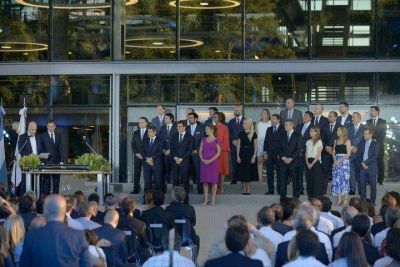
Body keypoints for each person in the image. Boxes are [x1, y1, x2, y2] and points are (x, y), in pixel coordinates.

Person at [20, 194, 90, 266]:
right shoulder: (78, 236)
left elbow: (24, 264)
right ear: (64, 211)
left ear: (45, 211)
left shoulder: (32, 237)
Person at [166, 187, 200, 251]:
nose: (171, 196)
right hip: (188, 238)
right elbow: (193, 223)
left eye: (172, 194)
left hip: (173, 238)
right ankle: (194, 259)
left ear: (174, 196)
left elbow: (167, 224)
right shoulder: (190, 208)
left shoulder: (168, 209)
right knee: (197, 238)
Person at [39, 119, 66, 194]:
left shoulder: (58, 135)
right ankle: (46, 199)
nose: (51, 128)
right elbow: (40, 149)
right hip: (46, 162)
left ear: (55, 127)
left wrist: (62, 161)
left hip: (56, 163)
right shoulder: (42, 136)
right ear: (47, 126)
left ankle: (55, 198)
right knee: (46, 183)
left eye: (52, 126)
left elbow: (61, 149)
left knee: (56, 182)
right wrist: (42, 161)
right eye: (49, 126)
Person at [278, 119, 302, 199]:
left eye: (286, 125)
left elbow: (298, 149)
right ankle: (283, 198)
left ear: (292, 125)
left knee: (295, 181)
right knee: (282, 181)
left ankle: (295, 198)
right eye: (285, 125)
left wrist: (291, 158)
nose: (285, 126)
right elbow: (279, 148)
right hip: (283, 162)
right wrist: (284, 158)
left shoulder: (297, 135)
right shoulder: (281, 134)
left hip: (294, 162)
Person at [17, 121, 42, 194]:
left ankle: (35, 201)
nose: (34, 131)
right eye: (32, 129)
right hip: (26, 164)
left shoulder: (38, 136)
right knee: (25, 183)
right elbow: (21, 150)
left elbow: (40, 149)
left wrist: (42, 155)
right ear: (28, 128)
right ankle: (24, 201)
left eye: (35, 129)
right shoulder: (22, 137)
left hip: (36, 164)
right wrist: (31, 157)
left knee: (35, 182)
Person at [170, 120, 193, 196]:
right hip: (174, 161)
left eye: (180, 126)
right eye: (177, 126)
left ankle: (185, 198)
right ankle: (174, 198)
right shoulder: (174, 136)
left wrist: (181, 159)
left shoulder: (189, 137)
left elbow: (189, 150)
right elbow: (171, 148)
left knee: (185, 180)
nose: (178, 128)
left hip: (185, 162)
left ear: (184, 127)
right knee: (175, 181)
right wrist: (176, 158)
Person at [199, 124, 221, 206]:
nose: (205, 131)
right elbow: (200, 151)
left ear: (212, 130)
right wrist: (202, 159)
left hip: (213, 163)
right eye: (205, 129)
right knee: (205, 182)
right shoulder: (203, 139)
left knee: (214, 182)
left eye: (207, 129)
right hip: (204, 163)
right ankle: (206, 199)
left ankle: (213, 199)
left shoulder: (216, 140)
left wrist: (210, 160)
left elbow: (218, 152)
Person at [263, 114, 285, 195]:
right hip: (270, 154)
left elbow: (284, 142)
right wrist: (265, 152)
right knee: (269, 173)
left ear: (278, 120)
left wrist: (282, 154)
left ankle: (279, 190)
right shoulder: (269, 129)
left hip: (279, 155)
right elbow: (266, 141)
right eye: (271, 119)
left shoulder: (283, 128)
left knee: (280, 174)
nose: (272, 120)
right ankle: (270, 190)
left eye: (273, 119)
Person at [357, 128, 379, 204]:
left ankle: (372, 202)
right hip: (362, 167)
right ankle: (363, 201)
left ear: (370, 135)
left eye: (366, 134)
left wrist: (365, 163)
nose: (364, 135)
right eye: (364, 133)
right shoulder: (361, 143)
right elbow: (358, 155)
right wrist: (362, 163)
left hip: (371, 167)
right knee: (362, 185)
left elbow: (375, 156)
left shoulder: (375, 144)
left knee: (373, 186)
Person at [237, 118, 258, 195]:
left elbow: (256, 145)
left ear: (249, 124)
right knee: (243, 171)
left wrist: (254, 156)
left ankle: (248, 188)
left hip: (250, 153)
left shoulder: (253, 133)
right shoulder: (240, 133)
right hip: (242, 153)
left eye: (245, 123)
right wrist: (238, 156)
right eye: (243, 123)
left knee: (249, 171)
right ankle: (244, 188)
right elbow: (238, 146)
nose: (243, 125)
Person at [366, 106, 387, 185]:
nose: (370, 112)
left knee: (380, 163)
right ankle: (369, 180)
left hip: (379, 146)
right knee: (369, 162)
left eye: (372, 111)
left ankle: (380, 180)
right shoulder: (368, 122)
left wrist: (375, 140)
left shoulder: (383, 121)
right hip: (369, 146)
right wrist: (371, 140)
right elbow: (366, 133)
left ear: (377, 112)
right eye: (370, 111)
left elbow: (383, 134)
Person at [332, 126, 352, 206]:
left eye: (338, 130)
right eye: (337, 130)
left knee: (345, 180)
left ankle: (346, 199)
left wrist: (339, 161)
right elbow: (333, 152)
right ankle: (339, 198)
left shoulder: (347, 141)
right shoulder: (335, 141)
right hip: (336, 161)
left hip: (344, 162)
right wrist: (334, 160)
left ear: (343, 132)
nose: (337, 132)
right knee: (337, 180)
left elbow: (348, 154)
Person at [347, 112, 365, 195]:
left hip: (360, 154)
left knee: (360, 173)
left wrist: (357, 148)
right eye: (352, 117)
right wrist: (351, 148)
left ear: (359, 118)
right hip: (350, 153)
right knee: (351, 173)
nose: (352, 119)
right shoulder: (349, 127)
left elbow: (365, 141)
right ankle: (352, 189)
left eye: (353, 117)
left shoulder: (364, 128)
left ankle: (361, 190)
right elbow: (346, 139)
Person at [296, 111, 314, 195]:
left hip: (308, 153)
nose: (304, 117)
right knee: (299, 172)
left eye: (306, 116)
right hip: (299, 153)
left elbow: (314, 140)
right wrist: (299, 149)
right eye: (304, 116)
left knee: (309, 172)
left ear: (310, 118)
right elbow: (296, 139)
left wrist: (304, 149)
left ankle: (310, 189)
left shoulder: (313, 127)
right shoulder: (299, 126)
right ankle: (300, 189)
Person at [187, 112, 205, 194]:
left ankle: (200, 190)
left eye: (191, 117)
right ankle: (186, 191)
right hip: (187, 154)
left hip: (197, 154)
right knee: (186, 172)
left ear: (196, 119)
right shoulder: (186, 128)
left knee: (199, 172)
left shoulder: (201, 128)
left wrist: (197, 150)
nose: (189, 119)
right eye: (189, 118)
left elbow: (203, 141)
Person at [322, 111, 340, 194]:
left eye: (331, 116)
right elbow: (321, 138)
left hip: (336, 153)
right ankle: (324, 190)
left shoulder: (340, 127)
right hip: (325, 153)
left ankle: (335, 190)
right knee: (325, 172)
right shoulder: (324, 126)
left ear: (335, 117)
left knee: (336, 172)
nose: (329, 117)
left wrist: (333, 149)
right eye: (328, 116)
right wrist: (326, 147)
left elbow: (341, 139)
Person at [141, 126, 164, 192]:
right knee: (147, 182)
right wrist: (147, 159)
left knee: (158, 181)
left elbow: (160, 152)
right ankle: (147, 199)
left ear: (155, 132)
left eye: (150, 132)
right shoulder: (145, 141)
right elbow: (142, 152)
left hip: (156, 163)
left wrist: (152, 158)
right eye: (148, 132)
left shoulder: (160, 141)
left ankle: (158, 199)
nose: (148, 133)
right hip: (146, 164)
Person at [158, 113, 177, 188]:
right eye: (164, 118)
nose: (164, 120)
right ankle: (165, 187)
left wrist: (170, 150)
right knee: (164, 170)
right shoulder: (162, 128)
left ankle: (174, 186)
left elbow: (177, 141)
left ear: (171, 119)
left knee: (174, 170)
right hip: (164, 153)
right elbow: (159, 140)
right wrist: (163, 150)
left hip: (173, 153)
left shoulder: (176, 128)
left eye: (166, 118)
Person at [213, 112, 230, 194]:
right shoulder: (212, 127)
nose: (214, 118)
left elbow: (226, 141)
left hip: (222, 152)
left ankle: (222, 187)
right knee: (215, 171)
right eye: (213, 117)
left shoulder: (225, 127)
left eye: (215, 117)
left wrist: (220, 149)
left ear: (220, 118)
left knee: (222, 171)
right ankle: (216, 187)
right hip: (214, 152)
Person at [228, 106, 245, 185]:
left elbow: (248, 132)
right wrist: (232, 140)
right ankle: (234, 180)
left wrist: (241, 141)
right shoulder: (231, 121)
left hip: (243, 146)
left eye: (237, 110)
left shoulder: (246, 120)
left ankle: (242, 180)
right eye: (234, 110)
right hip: (234, 145)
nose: (235, 111)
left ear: (241, 110)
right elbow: (229, 133)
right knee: (234, 163)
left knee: (243, 163)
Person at [305, 127, 324, 198]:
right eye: (310, 131)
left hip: (316, 162)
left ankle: (316, 197)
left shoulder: (319, 142)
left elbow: (318, 154)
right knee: (309, 179)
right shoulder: (308, 141)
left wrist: (312, 164)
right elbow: (306, 153)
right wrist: (307, 163)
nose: (310, 132)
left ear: (316, 132)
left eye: (312, 131)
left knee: (316, 180)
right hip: (308, 161)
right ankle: (310, 196)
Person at [131, 117, 148, 194]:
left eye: (142, 122)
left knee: (147, 174)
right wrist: (136, 153)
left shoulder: (150, 132)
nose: (140, 124)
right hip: (137, 157)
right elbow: (133, 145)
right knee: (136, 173)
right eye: (139, 123)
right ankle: (136, 189)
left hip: (147, 157)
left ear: (146, 123)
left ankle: (147, 190)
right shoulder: (136, 133)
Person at [255, 109, 271, 184]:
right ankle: (260, 178)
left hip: (268, 143)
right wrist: (256, 145)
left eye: (265, 113)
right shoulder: (258, 123)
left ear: (268, 115)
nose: (263, 114)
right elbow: (256, 135)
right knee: (260, 161)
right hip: (260, 143)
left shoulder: (270, 123)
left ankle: (269, 178)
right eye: (262, 113)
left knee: (268, 161)